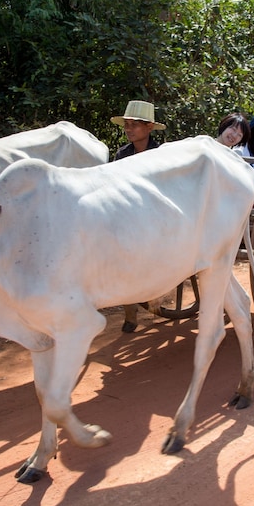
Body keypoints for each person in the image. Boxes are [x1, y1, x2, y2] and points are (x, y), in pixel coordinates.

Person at [111, 100, 165, 333]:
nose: (129, 129)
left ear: (149, 127)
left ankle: (154, 292)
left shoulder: (162, 154)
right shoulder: (122, 154)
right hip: (127, 216)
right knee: (120, 259)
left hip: (156, 216)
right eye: (127, 125)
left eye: (135, 125)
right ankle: (130, 312)